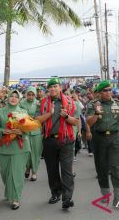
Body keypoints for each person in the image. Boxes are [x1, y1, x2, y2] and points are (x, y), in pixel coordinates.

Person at [35, 77, 78, 210]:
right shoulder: (42, 103)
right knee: (52, 170)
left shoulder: (70, 102)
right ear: (48, 89)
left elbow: (75, 121)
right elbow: (37, 120)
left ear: (60, 88)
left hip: (66, 140)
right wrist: (49, 113)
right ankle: (56, 193)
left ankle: (67, 198)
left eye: (55, 86)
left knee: (66, 171)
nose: (53, 89)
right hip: (49, 140)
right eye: (50, 87)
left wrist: (66, 117)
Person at [87, 80, 119, 207]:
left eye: (109, 90)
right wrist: (96, 113)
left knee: (115, 168)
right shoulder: (93, 104)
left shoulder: (118, 104)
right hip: (99, 138)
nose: (108, 92)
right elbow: (89, 123)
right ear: (100, 92)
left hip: (114, 138)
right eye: (105, 90)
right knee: (101, 169)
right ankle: (105, 195)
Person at [0, 89, 30, 210]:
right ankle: (9, 191)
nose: (13, 98)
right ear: (7, 98)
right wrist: (3, 131)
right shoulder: (0, 112)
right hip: (5, 147)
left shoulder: (23, 112)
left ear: (19, 99)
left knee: (17, 174)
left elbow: (29, 129)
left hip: (20, 148)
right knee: (5, 173)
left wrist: (21, 132)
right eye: (11, 96)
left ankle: (15, 198)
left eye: (16, 96)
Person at [19, 86, 43, 181]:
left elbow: (41, 116)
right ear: (26, 94)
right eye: (29, 94)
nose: (31, 96)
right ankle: (27, 167)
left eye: (33, 94)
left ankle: (34, 172)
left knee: (36, 152)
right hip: (25, 131)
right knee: (27, 152)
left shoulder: (38, 103)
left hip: (36, 131)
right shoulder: (21, 103)